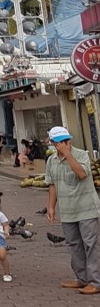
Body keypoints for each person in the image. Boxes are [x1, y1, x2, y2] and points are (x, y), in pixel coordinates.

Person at [45, 126, 100, 294]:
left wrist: (68, 154)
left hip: (87, 208)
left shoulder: (82, 154)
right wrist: (51, 206)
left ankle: (96, 281)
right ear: (53, 143)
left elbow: (82, 174)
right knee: (74, 244)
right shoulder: (52, 161)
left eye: (65, 141)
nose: (63, 144)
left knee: (91, 244)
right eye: (59, 142)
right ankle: (81, 278)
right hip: (68, 210)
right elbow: (52, 184)